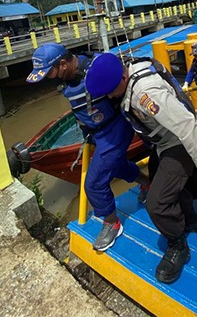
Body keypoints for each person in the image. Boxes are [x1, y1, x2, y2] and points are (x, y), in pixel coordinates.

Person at [84, 53, 197, 284]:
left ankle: (178, 245)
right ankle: (189, 219)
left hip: (178, 143)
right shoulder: (128, 73)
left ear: (122, 78)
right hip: (163, 142)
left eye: (110, 91)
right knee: (166, 183)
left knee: (156, 202)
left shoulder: (145, 93)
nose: (109, 97)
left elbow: (187, 126)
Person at [26, 43, 148, 252]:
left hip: (115, 129)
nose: (49, 78)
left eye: (49, 73)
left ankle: (112, 223)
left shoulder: (95, 68)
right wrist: (87, 134)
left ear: (63, 64)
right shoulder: (70, 78)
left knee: (93, 184)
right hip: (96, 132)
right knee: (117, 166)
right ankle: (148, 183)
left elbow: (124, 87)